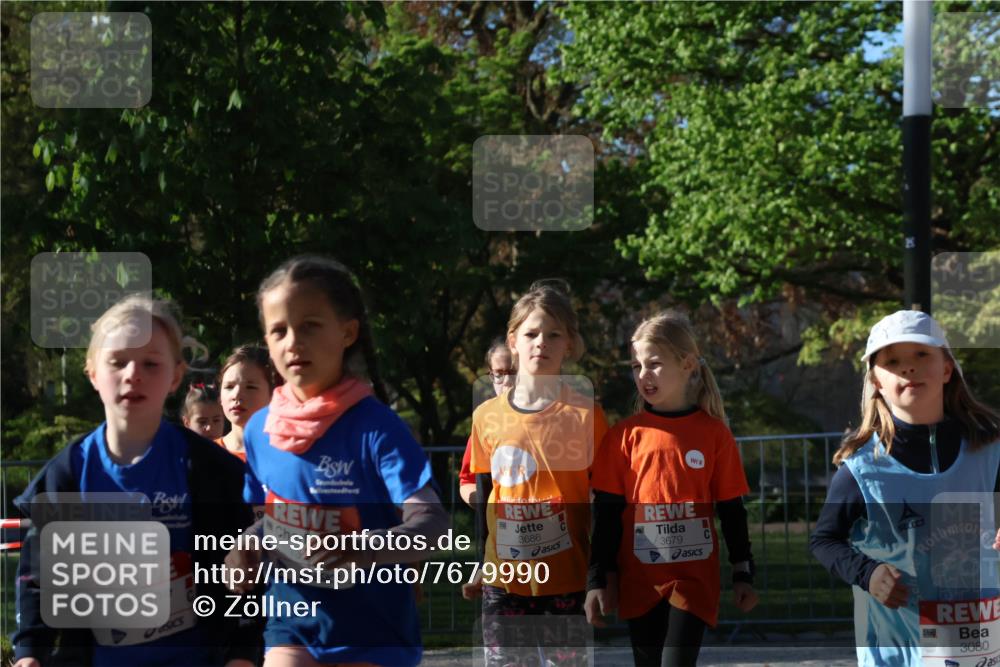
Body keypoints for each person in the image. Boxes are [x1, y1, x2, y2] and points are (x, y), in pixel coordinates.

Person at [224, 255, 448, 667]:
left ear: (347, 333)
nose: (293, 341)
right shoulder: (259, 430)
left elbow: (434, 524)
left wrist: (363, 548)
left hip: (373, 631)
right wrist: (247, 543)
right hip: (292, 622)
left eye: (310, 325)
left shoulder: (377, 428)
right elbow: (272, 516)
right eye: (279, 330)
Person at [11, 294, 257, 667]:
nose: (132, 374)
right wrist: (30, 653)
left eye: (150, 363)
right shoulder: (69, 474)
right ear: (93, 372)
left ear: (175, 376)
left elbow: (250, 573)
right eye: (118, 362)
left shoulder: (211, 470)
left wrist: (242, 653)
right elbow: (38, 577)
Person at [809, 310, 1000, 666]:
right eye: (893, 361)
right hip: (898, 650)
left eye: (921, 355)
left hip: (978, 639)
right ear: (876, 381)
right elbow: (824, 541)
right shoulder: (861, 469)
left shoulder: (989, 451)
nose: (907, 368)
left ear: (947, 369)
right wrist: (867, 573)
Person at [586, 311, 758, 666]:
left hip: (693, 582)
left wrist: (743, 570)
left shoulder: (714, 434)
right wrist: (598, 579)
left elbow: (731, 507)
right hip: (641, 583)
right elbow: (606, 514)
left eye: (654, 364)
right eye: (636, 366)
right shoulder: (623, 437)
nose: (643, 375)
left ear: (688, 364)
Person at [469, 280, 608, 667]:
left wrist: (600, 575)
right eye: (531, 333)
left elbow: (609, 502)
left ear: (569, 344)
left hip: (567, 578)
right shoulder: (486, 416)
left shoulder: (586, 415)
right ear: (513, 341)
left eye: (553, 334)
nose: (540, 343)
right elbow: (484, 493)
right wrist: (482, 561)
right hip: (504, 580)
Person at [459, 338, 516, 507]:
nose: (506, 382)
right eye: (499, 374)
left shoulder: (554, 415)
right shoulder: (485, 420)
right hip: (500, 529)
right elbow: (467, 481)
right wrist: (487, 504)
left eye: (513, 372)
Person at [216, 344, 275, 462]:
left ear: (273, 394)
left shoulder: (287, 455)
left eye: (250, 387)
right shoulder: (206, 454)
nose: (236, 395)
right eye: (229, 387)